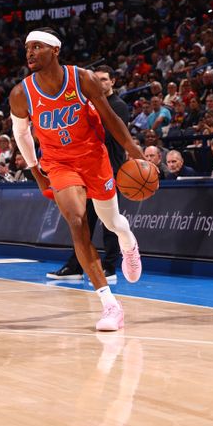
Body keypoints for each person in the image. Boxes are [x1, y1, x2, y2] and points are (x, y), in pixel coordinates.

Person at [10, 28, 143, 331]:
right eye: (27, 47)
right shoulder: (21, 93)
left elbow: (110, 116)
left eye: (37, 47)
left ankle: (128, 242)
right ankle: (110, 304)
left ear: (55, 50)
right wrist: (37, 172)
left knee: (112, 222)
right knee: (76, 220)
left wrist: (133, 150)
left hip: (94, 158)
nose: (29, 52)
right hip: (59, 163)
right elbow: (20, 134)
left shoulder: (82, 78)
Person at [47, 65, 130, 282]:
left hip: (111, 169)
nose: (101, 83)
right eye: (98, 79)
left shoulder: (117, 106)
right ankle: (76, 266)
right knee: (83, 220)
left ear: (112, 82)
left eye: (105, 79)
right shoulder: (88, 103)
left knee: (110, 222)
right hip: (89, 169)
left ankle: (110, 267)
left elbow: (109, 136)